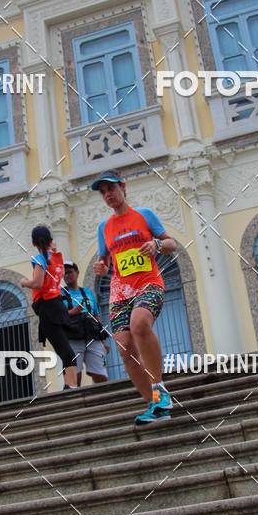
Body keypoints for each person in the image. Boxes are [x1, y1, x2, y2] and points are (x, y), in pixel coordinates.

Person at [92, 170, 177, 424]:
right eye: (103, 192)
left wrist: (156, 245)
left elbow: (170, 242)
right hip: (120, 292)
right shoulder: (104, 228)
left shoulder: (144, 215)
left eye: (111, 188)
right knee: (125, 348)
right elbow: (104, 260)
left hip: (148, 283)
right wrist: (100, 267)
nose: (108, 195)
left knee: (139, 324)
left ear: (123, 186)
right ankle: (155, 406)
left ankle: (160, 391)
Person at [20, 226, 78, 390]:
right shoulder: (57, 258)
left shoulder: (40, 258)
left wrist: (24, 282)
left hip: (47, 307)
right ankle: (69, 384)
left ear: (33, 242)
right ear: (51, 240)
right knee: (64, 348)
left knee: (64, 350)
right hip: (57, 305)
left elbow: (37, 283)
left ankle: (71, 385)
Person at [61, 261, 109, 386]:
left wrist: (103, 341)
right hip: (73, 339)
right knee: (74, 376)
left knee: (100, 374)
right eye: (64, 273)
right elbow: (57, 318)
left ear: (77, 273)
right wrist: (72, 312)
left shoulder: (88, 293)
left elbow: (97, 316)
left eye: (70, 272)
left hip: (93, 337)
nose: (67, 275)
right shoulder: (59, 295)